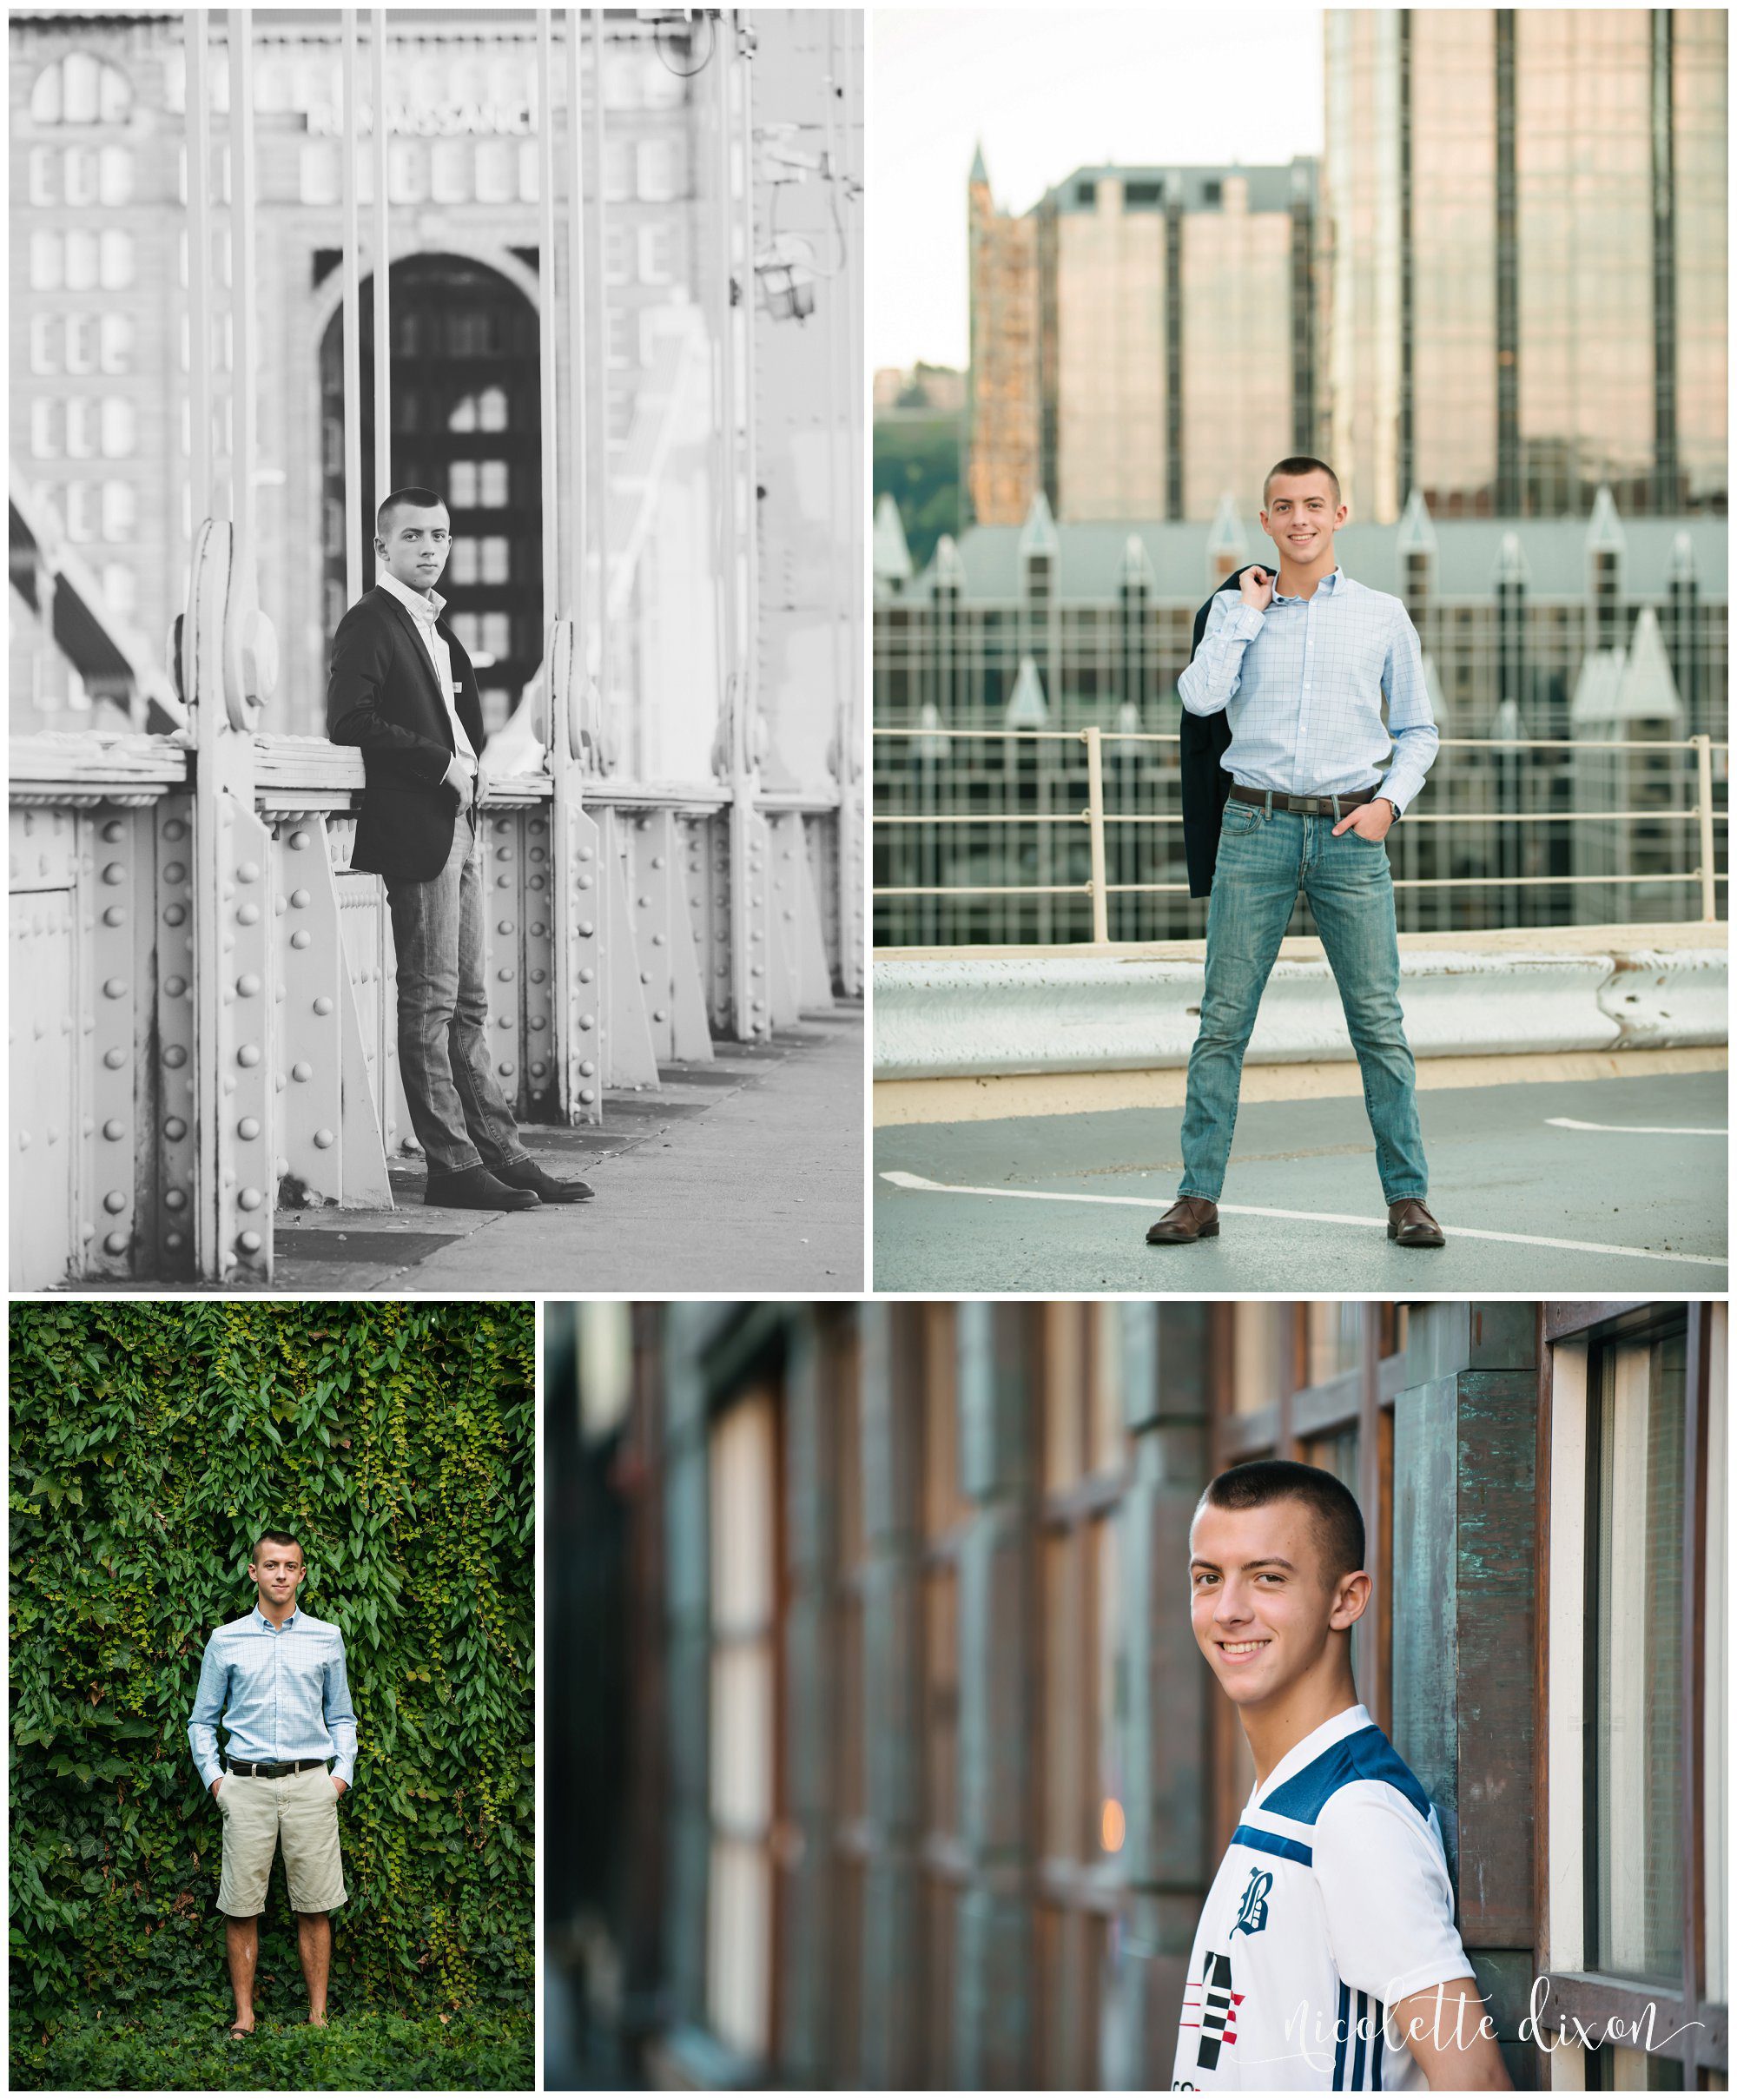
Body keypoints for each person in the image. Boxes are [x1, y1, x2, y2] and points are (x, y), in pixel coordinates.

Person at [1146, 457, 1444, 1251]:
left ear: (1340, 514)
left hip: (1352, 835)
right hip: (1255, 828)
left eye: (1314, 505)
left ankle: (1408, 1198)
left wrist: (1390, 805)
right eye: (1285, 508)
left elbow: (1420, 728)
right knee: (1222, 1024)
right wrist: (1242, 612)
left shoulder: (1383, 616)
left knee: (1378, 1024)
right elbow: (1200, 698)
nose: (1300, 519)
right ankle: (1197, 1196)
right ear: (1267, 520)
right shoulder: (1233, 610)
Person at [1176, 1461, 1511, 2091]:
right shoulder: (1290, 1792)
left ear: (1346, 1599)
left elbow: (1477, 2081)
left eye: (1267, 1578)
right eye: (1208, 1578)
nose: (1227, 1610)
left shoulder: (1356, 1817)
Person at [328, 487, 592, 1212]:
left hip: (460, 826)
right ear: (382, 547)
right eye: (412, 536)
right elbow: (348, 720)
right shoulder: (370, 623)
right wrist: (440, 762)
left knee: (469, 1003)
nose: (429, 548)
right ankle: (450, 1165)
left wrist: (468, 769)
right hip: (420, 830)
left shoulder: (439, 632)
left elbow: (458, 725)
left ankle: (502, 1155)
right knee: (430, 1003)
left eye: (439, 536)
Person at [188, 1531, 358, 2038]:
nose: (280, 1574)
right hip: (246, 1786)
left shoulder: (327, 1638)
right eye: (271, 1565)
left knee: (316, 1904)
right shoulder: (226, 1640)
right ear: (253, 1572)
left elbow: (342, 1716)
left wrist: (339, 1776)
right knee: (240, 1906)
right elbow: (202, 1722)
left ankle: (318, 2017)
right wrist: (217, 1781)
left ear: (302, 1574)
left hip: (311, 1786)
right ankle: (245, 2016)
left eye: (290, 1565)